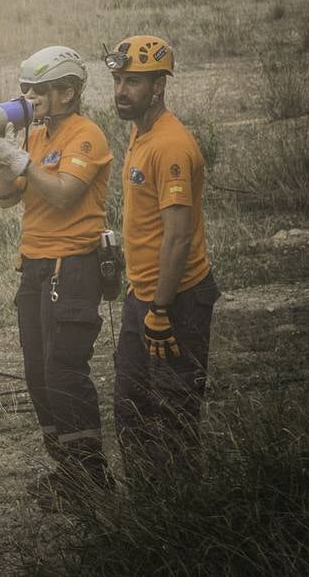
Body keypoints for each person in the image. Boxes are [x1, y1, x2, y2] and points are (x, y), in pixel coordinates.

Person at [0, 46, 113, 507]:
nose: (31, 97)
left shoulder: (87, 136)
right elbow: (6, 199)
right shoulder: (36, 136)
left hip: (73, 267)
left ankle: (93, 479)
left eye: (40, 89)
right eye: (27, 89)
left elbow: (63, 194)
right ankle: (68, 472)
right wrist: (4, 158)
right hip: (35, 267)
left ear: (68, 91)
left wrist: (23, 164)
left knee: (64, 370)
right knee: (38, 372)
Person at [104, 35, 219, 473]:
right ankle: (147, 513)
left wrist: (160, 309)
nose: (120, 91)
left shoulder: (170, 144)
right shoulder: (140, 133)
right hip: (143, 296)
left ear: (159, 87)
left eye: (133, 82)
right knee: (131, 408)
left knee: (173, 413)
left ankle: (182, 519)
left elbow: (178, 237)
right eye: (117, 80)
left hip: (175, 300)